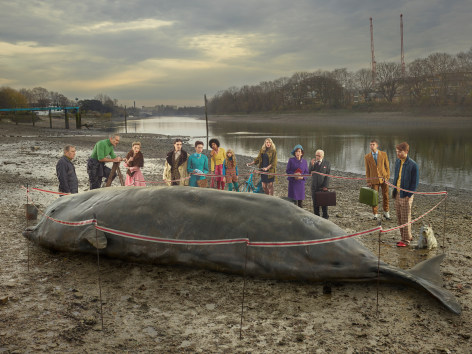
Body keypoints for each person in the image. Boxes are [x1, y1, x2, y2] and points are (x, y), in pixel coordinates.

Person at [392, 142, 419, 247]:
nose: (398, 154)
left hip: (406, 195)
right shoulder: (398, 162)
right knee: (399, 217)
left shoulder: (413, 165)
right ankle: (406, 236)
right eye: (397, 152)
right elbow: (396, 177)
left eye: (400, 152)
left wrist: (409, 195)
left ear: (406, 151)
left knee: (405, 218)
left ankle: (406, 240)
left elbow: (415, 183)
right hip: (397, 193)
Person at [364, 139, 391, 220]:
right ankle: (375, 214)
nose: (371, 146)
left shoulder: (383, 154)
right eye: (370, 145)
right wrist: (368, 181)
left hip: (384, 179)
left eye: (373, 144)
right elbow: (367, 170)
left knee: (385, 196)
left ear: (377, 145)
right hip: (373, 180)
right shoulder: (367, 157)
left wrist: (387, 177)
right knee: (374, 197)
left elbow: (387, 167)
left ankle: (386, 212)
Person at [309, 149, 331, 219]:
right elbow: (309, 172)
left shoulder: (327, 163)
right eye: (316, 155)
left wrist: (325, 186)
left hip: (323, 187)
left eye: (318, 155)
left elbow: (328, 175)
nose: (317, 157)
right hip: (314, 186)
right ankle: (316, 217)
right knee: (315, 203)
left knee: (324, 203)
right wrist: (312, 165)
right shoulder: (313, 162)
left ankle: (325, 217)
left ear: (322, 156)